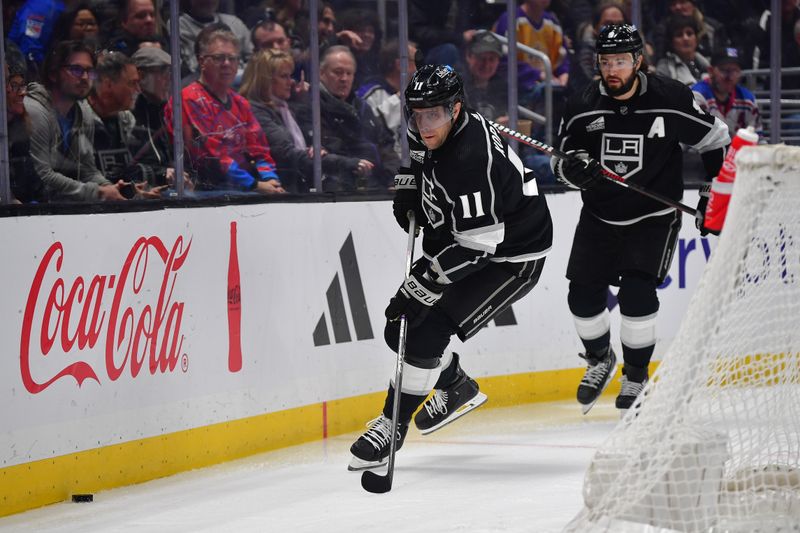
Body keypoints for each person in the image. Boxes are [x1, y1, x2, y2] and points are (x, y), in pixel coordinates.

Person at [348, 64, 553, 471]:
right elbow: (420, 155)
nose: (424, 124)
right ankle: (455, 386)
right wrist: (410, 183)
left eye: (434, 115)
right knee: (400, 327)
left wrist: (423, 281)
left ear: (456, 109)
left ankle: (392, 424)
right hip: (463, 238)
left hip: (509, 257)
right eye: (417, 113)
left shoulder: (470, 160)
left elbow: (479, 246)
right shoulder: (430, 123)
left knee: (426, 330)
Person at [550, 24, 729, 413]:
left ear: (638, 61)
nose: (612, 69)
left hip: (654, 215)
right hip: (600, 214)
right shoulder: (582, 104)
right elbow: (560, 160)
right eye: (605, 61)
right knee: (580, 296)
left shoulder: (671, 98)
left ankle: (635, 374)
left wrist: (710, 195)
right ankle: (599, 360)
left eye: (620, 61)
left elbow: (717, 139)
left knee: (636, 294)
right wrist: (573, 170)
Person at [165, 27, 283, 195]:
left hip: (248, 187)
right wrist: (255, 185)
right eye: (219, 58)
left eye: (232, 58)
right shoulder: (188, 99)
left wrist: (271, 179)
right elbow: (214, 158)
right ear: (201, 61)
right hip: (207, 189)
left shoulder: (241, 103)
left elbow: (259, 149)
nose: (227, 64)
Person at [240, 49, 369, 193]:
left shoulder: (286, 109)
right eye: (284, 76)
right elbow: (286, 154)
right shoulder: (255, 111)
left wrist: (314, 150)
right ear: (265, 80)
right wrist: (344, 163)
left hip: (297, 188)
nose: (292, 81)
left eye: (291, 76)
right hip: (277, 191)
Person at [25, 40, 126, 202]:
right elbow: (42, 175)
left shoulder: (84, 112)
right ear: (53, 74)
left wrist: (113, 190)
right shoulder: (35, 111)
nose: (85, 78)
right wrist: (98, 192)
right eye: (76, 70)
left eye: (90, 71)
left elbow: (88, 170)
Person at [691, 47, 762, 137]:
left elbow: (758, 138)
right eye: (724, 70)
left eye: (735, 71)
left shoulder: (748, 100)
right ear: (711, 71)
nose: (730, 77)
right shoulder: (697, 96)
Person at [179, 0, 252, 76]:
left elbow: (253, 58)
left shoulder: (234, 22)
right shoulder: (179, 25)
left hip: (243, 79)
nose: (209, 1)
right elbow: (194, 67)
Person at [655, 15, 710, 86]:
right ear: (671, 42)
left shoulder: (709, 64)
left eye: (689, 33)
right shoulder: (665, 68)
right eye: (679, 35)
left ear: (696, 39)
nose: (685, 38)